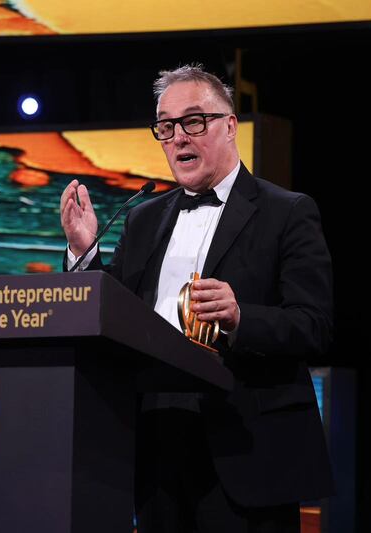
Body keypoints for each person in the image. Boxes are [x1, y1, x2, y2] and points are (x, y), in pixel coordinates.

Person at [60, 64, 333, 532]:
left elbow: (314, 326)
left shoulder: (288, 212)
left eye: (193, 121)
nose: (179, 137)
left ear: (230, 126)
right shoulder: (143, 218)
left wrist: (240, 317)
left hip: (246, 448)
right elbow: (116, 317)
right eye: (166, 127)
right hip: (156, 445)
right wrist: (85, 254)